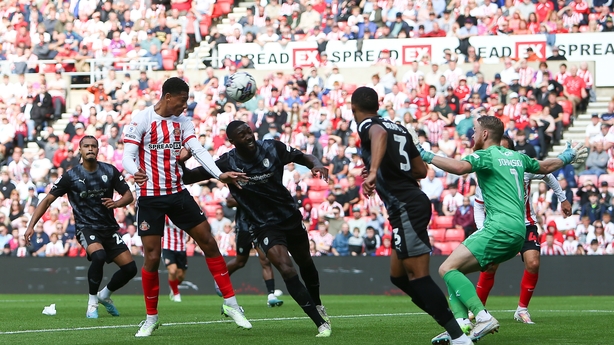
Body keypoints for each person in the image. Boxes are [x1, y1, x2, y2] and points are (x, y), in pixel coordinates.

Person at [417, 115, 587, 343]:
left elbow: (458, 168)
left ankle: (481, 316)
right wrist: (568, 156)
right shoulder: (518, 157)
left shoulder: (485, 156)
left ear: (485, 134)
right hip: (519, 233)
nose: (472, 134)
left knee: (446, 268)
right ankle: (461, 327)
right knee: (454, 271)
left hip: (499, 227)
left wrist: (426, 155)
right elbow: (546, 167)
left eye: (475, 130)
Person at [121, 77, 251, 337]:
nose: (184, 106)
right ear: (168, 96)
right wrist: (136, 171)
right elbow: (128, 156)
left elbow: (199, 150)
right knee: (152, 257)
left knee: (208, 242)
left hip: (177, 193)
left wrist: (219, 174)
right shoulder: (141, 119)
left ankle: (231, 304)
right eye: (181, 101)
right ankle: (151, 318)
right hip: (150, 197)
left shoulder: (184, 122)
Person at [181, 120, 332, 337]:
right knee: (286, 268)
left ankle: (317, 304)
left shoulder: (272, 147)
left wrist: (315, 164)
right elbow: (188, 177)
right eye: (242, 135)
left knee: (305, 262)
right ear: (232, 141)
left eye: (249, 132)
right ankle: (320, 323)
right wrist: (181, 161)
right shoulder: (227, 162)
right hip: (263, 225)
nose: (248, 136)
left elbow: (304, 157)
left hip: (289, 216)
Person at [351, 87, 473, 345]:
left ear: (354, 109)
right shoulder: (399, 127)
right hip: (408, 205)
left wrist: (373, 171)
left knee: (418, 277)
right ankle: (449, 322)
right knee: (398, 276)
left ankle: (459, 335)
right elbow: (420, 169)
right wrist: (383, 169)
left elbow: (379, 134)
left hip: (406, 206)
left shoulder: (368, 125)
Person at [24, 136, 137, 319]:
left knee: (130, 269)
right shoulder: (70, 176)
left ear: (98, 150)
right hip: (86, 227)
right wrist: (31, 225)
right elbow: (47, 200)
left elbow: (128, 196)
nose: (90, 149)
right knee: (98, 256)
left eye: (93, 146)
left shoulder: (109, 170)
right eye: (86, 146)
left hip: (108, 228)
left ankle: (105, 295)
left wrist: (116, 204)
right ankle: (92, 301)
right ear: (80, 150)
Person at [472, 135, 572, 325]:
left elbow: (547, 174)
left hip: (526, 224)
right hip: (499, 227)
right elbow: (478, 204)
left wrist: (562, 198)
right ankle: (478, 311)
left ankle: (522, 310)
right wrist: (481, 228)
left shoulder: (522, 167)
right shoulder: (487, 173)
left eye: (505, 150)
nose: (501, 154)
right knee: (490, 266)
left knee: (533, 263)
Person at [213, 195, 284, 308]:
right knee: (240, 261)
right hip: (243, 227)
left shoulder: (259, 183)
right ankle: (219, 279)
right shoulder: (239, 184)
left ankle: (271, 295)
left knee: (265, 260)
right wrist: (249, 198)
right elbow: (229, 202)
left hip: (259, 226)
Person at [163, 217, 188, 303]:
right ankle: (176, 293)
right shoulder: (165, 217)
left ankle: (173, 287)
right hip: (168, 247)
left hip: (181, 248)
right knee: (173, 271)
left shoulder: (185, 215)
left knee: (181, 275)